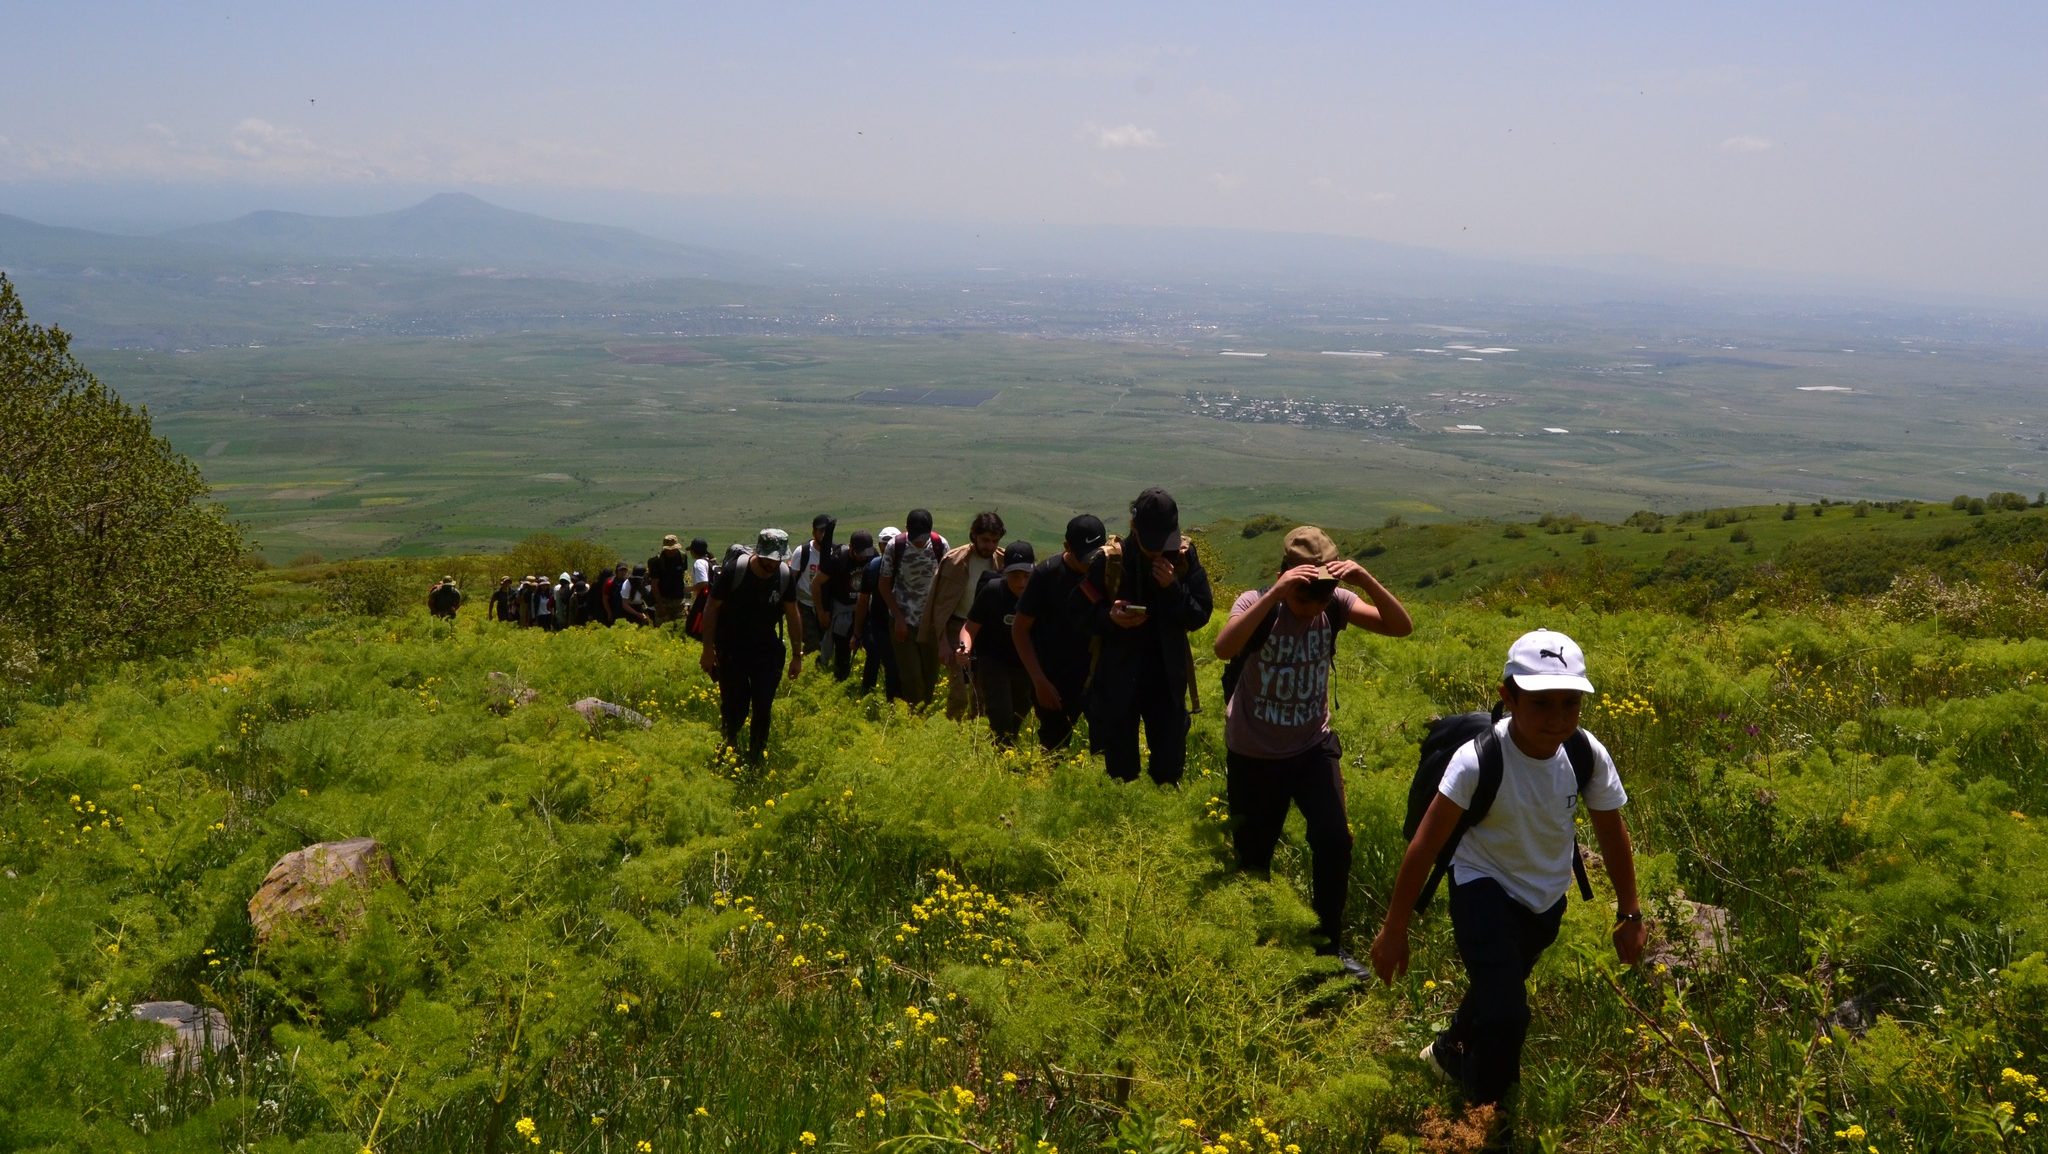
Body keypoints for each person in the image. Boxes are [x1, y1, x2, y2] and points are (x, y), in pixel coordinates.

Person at [1369, 629, 1645, 1112]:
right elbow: (1424, 846)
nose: (1557, 718)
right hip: (1481, 885)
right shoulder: (1477, 760)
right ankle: (1490, 1117)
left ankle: (1448, 1052)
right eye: (1541, 703)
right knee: (1508, 1015)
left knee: (1500, 987)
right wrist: (1395, 929)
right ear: (1508, 697)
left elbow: (1611, 831)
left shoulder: (1585, 754)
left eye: (1570, 703)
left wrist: (1630, 912)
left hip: (1545, 899)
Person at [1213, 526, 1413, 967]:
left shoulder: (1336, 602)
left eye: (1322, 599)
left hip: (1311, 747)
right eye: (1305, 599)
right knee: (1254, 856)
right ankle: (1257, 948)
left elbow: (1401, 627)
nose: (1314, 610)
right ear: (1285, 578)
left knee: (1334, 842)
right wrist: (1275, 595)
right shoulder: (1255, 603)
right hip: (1254, 753)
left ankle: (1327, 947)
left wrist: (1364, 580)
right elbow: (1224, 648)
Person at [1081, 488, 1212, 784]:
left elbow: (1200, 614)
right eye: (1151, 542)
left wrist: (1172, 588)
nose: (1157, 550)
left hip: (1166, 681)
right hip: (1118, 681)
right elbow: (1078, 615)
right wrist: (1110, 617)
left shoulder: (1183, 557)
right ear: (1133, 527)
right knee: (1120, 774)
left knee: (1168, 771)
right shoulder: (1110, 561)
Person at [698, 529, 804, 764]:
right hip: (731, 649)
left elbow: (792, 614)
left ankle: (756, 757)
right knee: (735, 704)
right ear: (759, 553)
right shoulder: (735, 571)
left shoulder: (784, 575)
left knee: (763, 705)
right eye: (768, 559)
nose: (772, 564)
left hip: (766, 650)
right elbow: (711, 609)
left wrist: (797, 655)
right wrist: (707, 651)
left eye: (777, 559)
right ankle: (729, 747)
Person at [1013, 514, 1105, 753]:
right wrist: (1039, 681)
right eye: (1084, 557)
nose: (1090, 563)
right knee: (1054, 747)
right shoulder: (1046, 574)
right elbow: (1020, 629)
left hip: (1097, 674)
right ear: (1067, 547)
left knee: (1106, 746)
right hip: (1054, 679)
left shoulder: (1108, 570)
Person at [925, 512, 1005, 720]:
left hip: (987, 631)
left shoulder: (1003, 561)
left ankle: (976, 730)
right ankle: (953, 730)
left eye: (994, 541)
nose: (989, 546)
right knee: (958, 690)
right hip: (956, 627)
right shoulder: (954, 561)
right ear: (974, 535)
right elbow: (939, 605)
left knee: (983, 690)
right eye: (985, 540)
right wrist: (942, 642)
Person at [963, 540, 1037, 745]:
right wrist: (965, 647)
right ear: (1005, 572)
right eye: (1015, 576)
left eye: (1026, 576)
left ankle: (1000, 750)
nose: (1021, 582)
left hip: (1025, 662)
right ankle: (1001, 754)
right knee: (1000, 713)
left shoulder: (1040, 594)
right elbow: (969, 627)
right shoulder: (993, 591)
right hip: (994, 660)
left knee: (1019, 713)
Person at [878, 509, 949, 706]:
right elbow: (884, 585)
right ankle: (912, 716)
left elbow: (946, 584)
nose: (919, 542)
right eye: (915, 537)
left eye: (922, 538)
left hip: (930, 623)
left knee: (930, 676)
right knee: (912, 677)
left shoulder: (940, 545)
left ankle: (924, 714)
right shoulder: (896, 546)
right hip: (903, 621)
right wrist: (898, 618)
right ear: (907, 529)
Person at [814, 528, 874, 682]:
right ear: (851, 547)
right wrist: (821, 612)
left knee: (871, 646)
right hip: (842, 611)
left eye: (866, 553)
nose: (863, 557)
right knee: (842, 649)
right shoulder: (838, 559)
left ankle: (866, 683)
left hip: (865, 609)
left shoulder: (872, 556)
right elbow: (816, 584)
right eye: (860, 553)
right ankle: (840, 681)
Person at [854, 527, 902, 697]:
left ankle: (878, 697)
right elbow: (863, 601)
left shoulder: (874, 566)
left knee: (887, 662)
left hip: (890, 622)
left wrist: (857, 632)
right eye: (885, 544)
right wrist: (857, 632)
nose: (887, 548)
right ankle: (874, 697)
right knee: (884, 661)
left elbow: (863, 602)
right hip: (882, 623)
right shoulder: (874, 567)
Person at [790, 514, 836, 659]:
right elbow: (792, 580)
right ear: (814, 532)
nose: (823, 534)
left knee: (827, 641)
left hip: (826, 605)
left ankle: (821, 666)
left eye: (826, 531)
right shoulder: (803, 552)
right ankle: (807, 666)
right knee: (812, 642)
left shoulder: (834, 553)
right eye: (820, 531)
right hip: (805, 604)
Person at [652, 534, 691, 626]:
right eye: (668, 549)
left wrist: (686, 601)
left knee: (680, 627)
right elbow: (654, 585)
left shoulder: (682, 557)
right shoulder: (656, 561)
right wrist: (660, 605)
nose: (671, 551)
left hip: (679, 600)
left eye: (673, 549)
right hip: (663, 600)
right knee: (662, 628)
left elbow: (683, 576)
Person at [685, 539, 714, 639]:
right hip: (711, 599)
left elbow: (703, 582)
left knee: (694, 629)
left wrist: (688, 589)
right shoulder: (710, 561)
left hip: (703, 600)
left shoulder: (699, 563)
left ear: (694, 551)